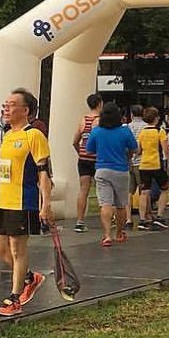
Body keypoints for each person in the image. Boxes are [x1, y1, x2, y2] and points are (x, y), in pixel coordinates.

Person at [0, 88, 52, 318]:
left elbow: (44, 172)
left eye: (12, 105)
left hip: (23, 202)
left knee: (17, 249)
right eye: (5, 105)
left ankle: (14, 299)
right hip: (3, 200)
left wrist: (46, 204)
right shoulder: (5, 136)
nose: (6, 108)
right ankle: (29, 277)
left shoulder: (33, 135)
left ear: (26, 110)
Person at [85, 101, 139, 247]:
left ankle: (107, 234)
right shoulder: (124, 131)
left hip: (102, 169)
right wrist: (127, 155)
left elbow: (89, 150)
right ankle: (119, 233)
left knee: (105, 204)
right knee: (121, 205)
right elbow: (135, 148)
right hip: (121, 170)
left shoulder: (96, 131)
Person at [72, 93, 102, 233]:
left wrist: (80, 152)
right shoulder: (100, 120)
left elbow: (75, 141)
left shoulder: (83, 120)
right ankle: (108, 218)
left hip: (83, 158)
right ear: (99, 104)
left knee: (83, 190)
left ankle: (80, 221)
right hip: (97, 159)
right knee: (102, 190)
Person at [136, 107, 169, 231]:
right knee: (164, 188)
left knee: (144, 192)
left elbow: (138, 151)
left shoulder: (142, 132)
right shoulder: (160, 131)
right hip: (156, 164)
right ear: (156, 118)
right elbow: (165, 149)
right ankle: (159, 216)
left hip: (144, 165)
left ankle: (142, 219)